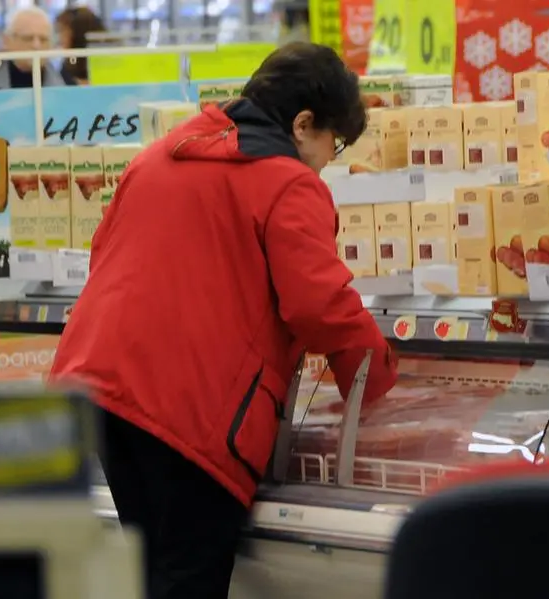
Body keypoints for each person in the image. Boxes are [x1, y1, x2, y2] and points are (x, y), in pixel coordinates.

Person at [49, 42, 398, 599]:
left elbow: (105, 256)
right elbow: (318, 305)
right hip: (192, 412)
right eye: (334, 142)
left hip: (102, 387)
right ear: (303, 124)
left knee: (151, 568)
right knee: (188, 577)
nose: (331, 159)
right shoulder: (288, 182)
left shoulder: (159, 155)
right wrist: (377, 382)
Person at [0, 6, 75, 91]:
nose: (36, 46)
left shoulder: (66, 84)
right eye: (28, 38)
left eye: (43, 39)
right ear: (7, 41)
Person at [55, 6, 108, 84]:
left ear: (77, 35)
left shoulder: (108, 68)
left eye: (62, 31)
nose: (60, 38)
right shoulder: (67, 68)